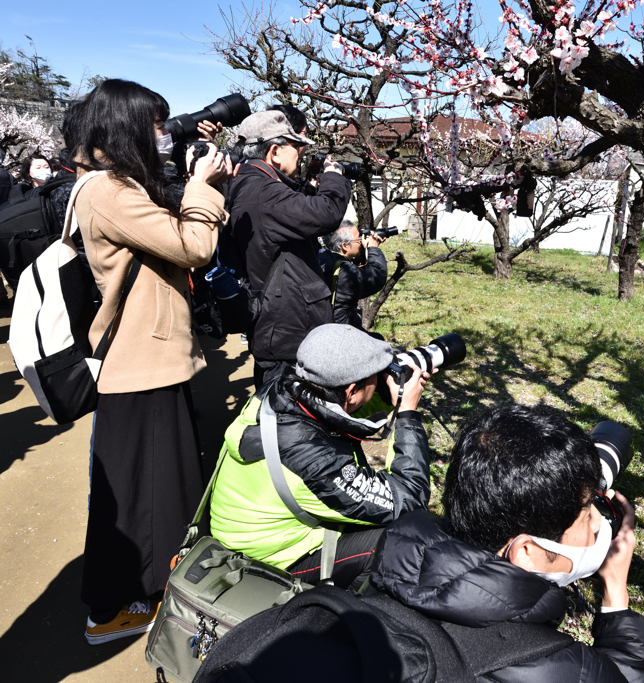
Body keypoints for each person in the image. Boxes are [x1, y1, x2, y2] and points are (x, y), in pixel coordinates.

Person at [72, 78, 235, 644]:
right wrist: (202, 185)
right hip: (137, 361)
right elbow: (193, 246)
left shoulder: (114, 185)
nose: (164, 134)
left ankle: (143, 590)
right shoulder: (109, 192)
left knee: (153, 487)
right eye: (156, 125)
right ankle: (110, 609)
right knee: (137, 492)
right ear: (127, 128)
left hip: (149, 356)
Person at [369, 403, 644, 682]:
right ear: (526, 552)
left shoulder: (375, 556)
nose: (598, 521)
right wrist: (615, 592)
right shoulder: (560, 670)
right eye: (585, 514)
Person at [210, 323, 432, 589]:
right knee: (398, 537)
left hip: (244, 533)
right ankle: (338, 612)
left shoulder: (282, 390)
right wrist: (407, 413)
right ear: (350, 390)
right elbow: (408, 498)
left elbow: (344, 410)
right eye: (375, 376)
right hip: (265, 561)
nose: (380, 377)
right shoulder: (312, 460)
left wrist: (388, 391)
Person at [223, 110, 352, 388]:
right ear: (274, 152)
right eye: (295, 146)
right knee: (285, 416)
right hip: (287, 330)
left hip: (280, 322)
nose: (300, 152)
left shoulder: (249, 183)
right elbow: (326, 213)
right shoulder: (263, 191)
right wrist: (333, 176)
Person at [324, 220, 388, 329]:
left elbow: (355, 266)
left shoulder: (326, 259)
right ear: (344, 246)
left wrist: (365, 251)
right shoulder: (344, 272)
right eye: (358, 239)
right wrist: (373, 249)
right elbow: (377, 277)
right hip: (340, 331)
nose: (361, 241)